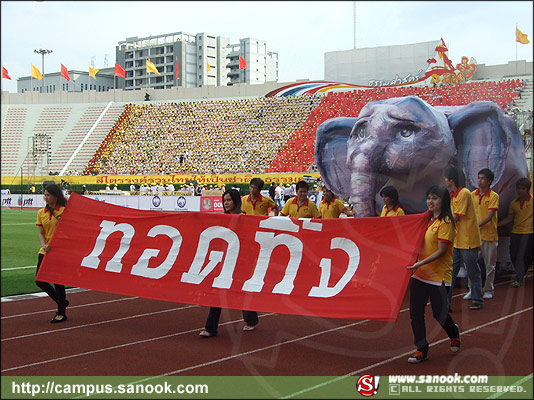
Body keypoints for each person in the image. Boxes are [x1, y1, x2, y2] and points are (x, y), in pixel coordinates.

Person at [407, 185, 461, 363]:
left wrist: (420, 262)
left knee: (440, 314)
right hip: (420, 275)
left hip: (438, 277)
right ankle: (421, 349)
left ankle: (453, 332)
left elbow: (442, 251)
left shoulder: (446, 223)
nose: (430, 201)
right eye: (428, 198)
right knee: (415, 313)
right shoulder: (425, 219)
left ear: (443, 201)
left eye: (434, 198)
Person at [199, 189, 259, 337]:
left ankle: (251, 319)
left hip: (240, 261)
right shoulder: (222, 219)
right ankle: (211, 328)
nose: (226, 203)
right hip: (225, 261)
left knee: (241, 291)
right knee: (218, 291)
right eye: (224, 200)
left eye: (229, 200)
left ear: (235, 201)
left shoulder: (243, 218)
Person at [444, 166, 483, 310]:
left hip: (468, 240)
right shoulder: (453, 195)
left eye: (446, 179)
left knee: (472, 271)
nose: (445, 181)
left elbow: (457, 216)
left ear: (451, 180)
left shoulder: (464, 193)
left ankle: (477, 299)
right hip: (457, 240)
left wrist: (443, 224)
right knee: (451, 272)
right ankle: (446, 303)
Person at [35, 183, 69, 323]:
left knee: (58, 282)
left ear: (56, 196)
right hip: (45, 250)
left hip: (59, 251)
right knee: (39, 280)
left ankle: (61, 312)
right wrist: (44, 245)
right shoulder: (41, 212)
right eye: (45, 195)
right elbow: (41, 232)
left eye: (48, 195)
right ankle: (61, 301)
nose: (46, 197)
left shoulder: (64, 211)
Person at [497, 177, 533, 287]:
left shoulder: (532, 201)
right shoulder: (514, 203)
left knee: (525, 255)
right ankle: (520, 274)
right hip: (516, 232)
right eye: (518, 188)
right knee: (513, 254)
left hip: (529, 233)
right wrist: (496, 225)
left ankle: (519, 277)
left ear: (527, 189)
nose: (520, 191)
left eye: (523, 188)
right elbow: (510, 218)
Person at [471, 168, 499, 299]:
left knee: (489, 265)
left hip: (489, 235)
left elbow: (489, 216)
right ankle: (472, 289)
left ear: (489, 182)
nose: (479, 181)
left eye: (482, 178)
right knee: (471, 263)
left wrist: (475, 226)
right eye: (479, 178)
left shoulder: (494, 196)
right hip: (475, 236)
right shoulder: (472, 195)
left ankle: (488, 289)